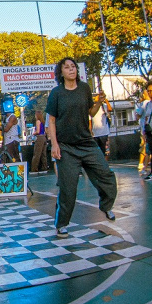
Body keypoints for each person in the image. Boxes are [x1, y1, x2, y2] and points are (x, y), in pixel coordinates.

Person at [46, 57, 117, 237]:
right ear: (60, 73)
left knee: (106, 176)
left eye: (73, 67)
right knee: (68, 189)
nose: (71, 70)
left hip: (87, 143)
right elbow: (51, 121)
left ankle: (106, 206)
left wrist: (99, 101)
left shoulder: (85, 89)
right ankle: (61, 223)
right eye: (67, 67)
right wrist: (54, 145)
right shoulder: (56, 93)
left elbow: (91, 112)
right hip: (66, 147)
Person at [90, 91, 112, 158]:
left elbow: (110, 109)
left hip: (104, 132)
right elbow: (89, 120)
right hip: (95, 133)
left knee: (105, 151)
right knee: (96, 152)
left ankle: (105, 166)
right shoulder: (91, 108)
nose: (97, 98)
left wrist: (105, 100)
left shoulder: (104, 106)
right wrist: (90, 131)